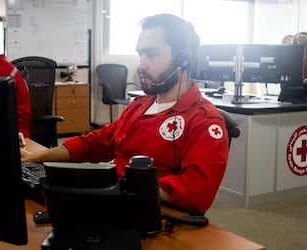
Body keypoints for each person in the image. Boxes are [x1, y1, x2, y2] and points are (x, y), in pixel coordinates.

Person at [21, 14, 229, 214]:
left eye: (152, 54)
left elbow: (196, 191)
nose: (141, 64)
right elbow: (96, 142)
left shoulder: (204, 120)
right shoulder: (140, 105)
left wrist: (114, 187)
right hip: (113, 202)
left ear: (184, 59)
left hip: (149, 215)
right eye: (140, 54)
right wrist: (35, 157)